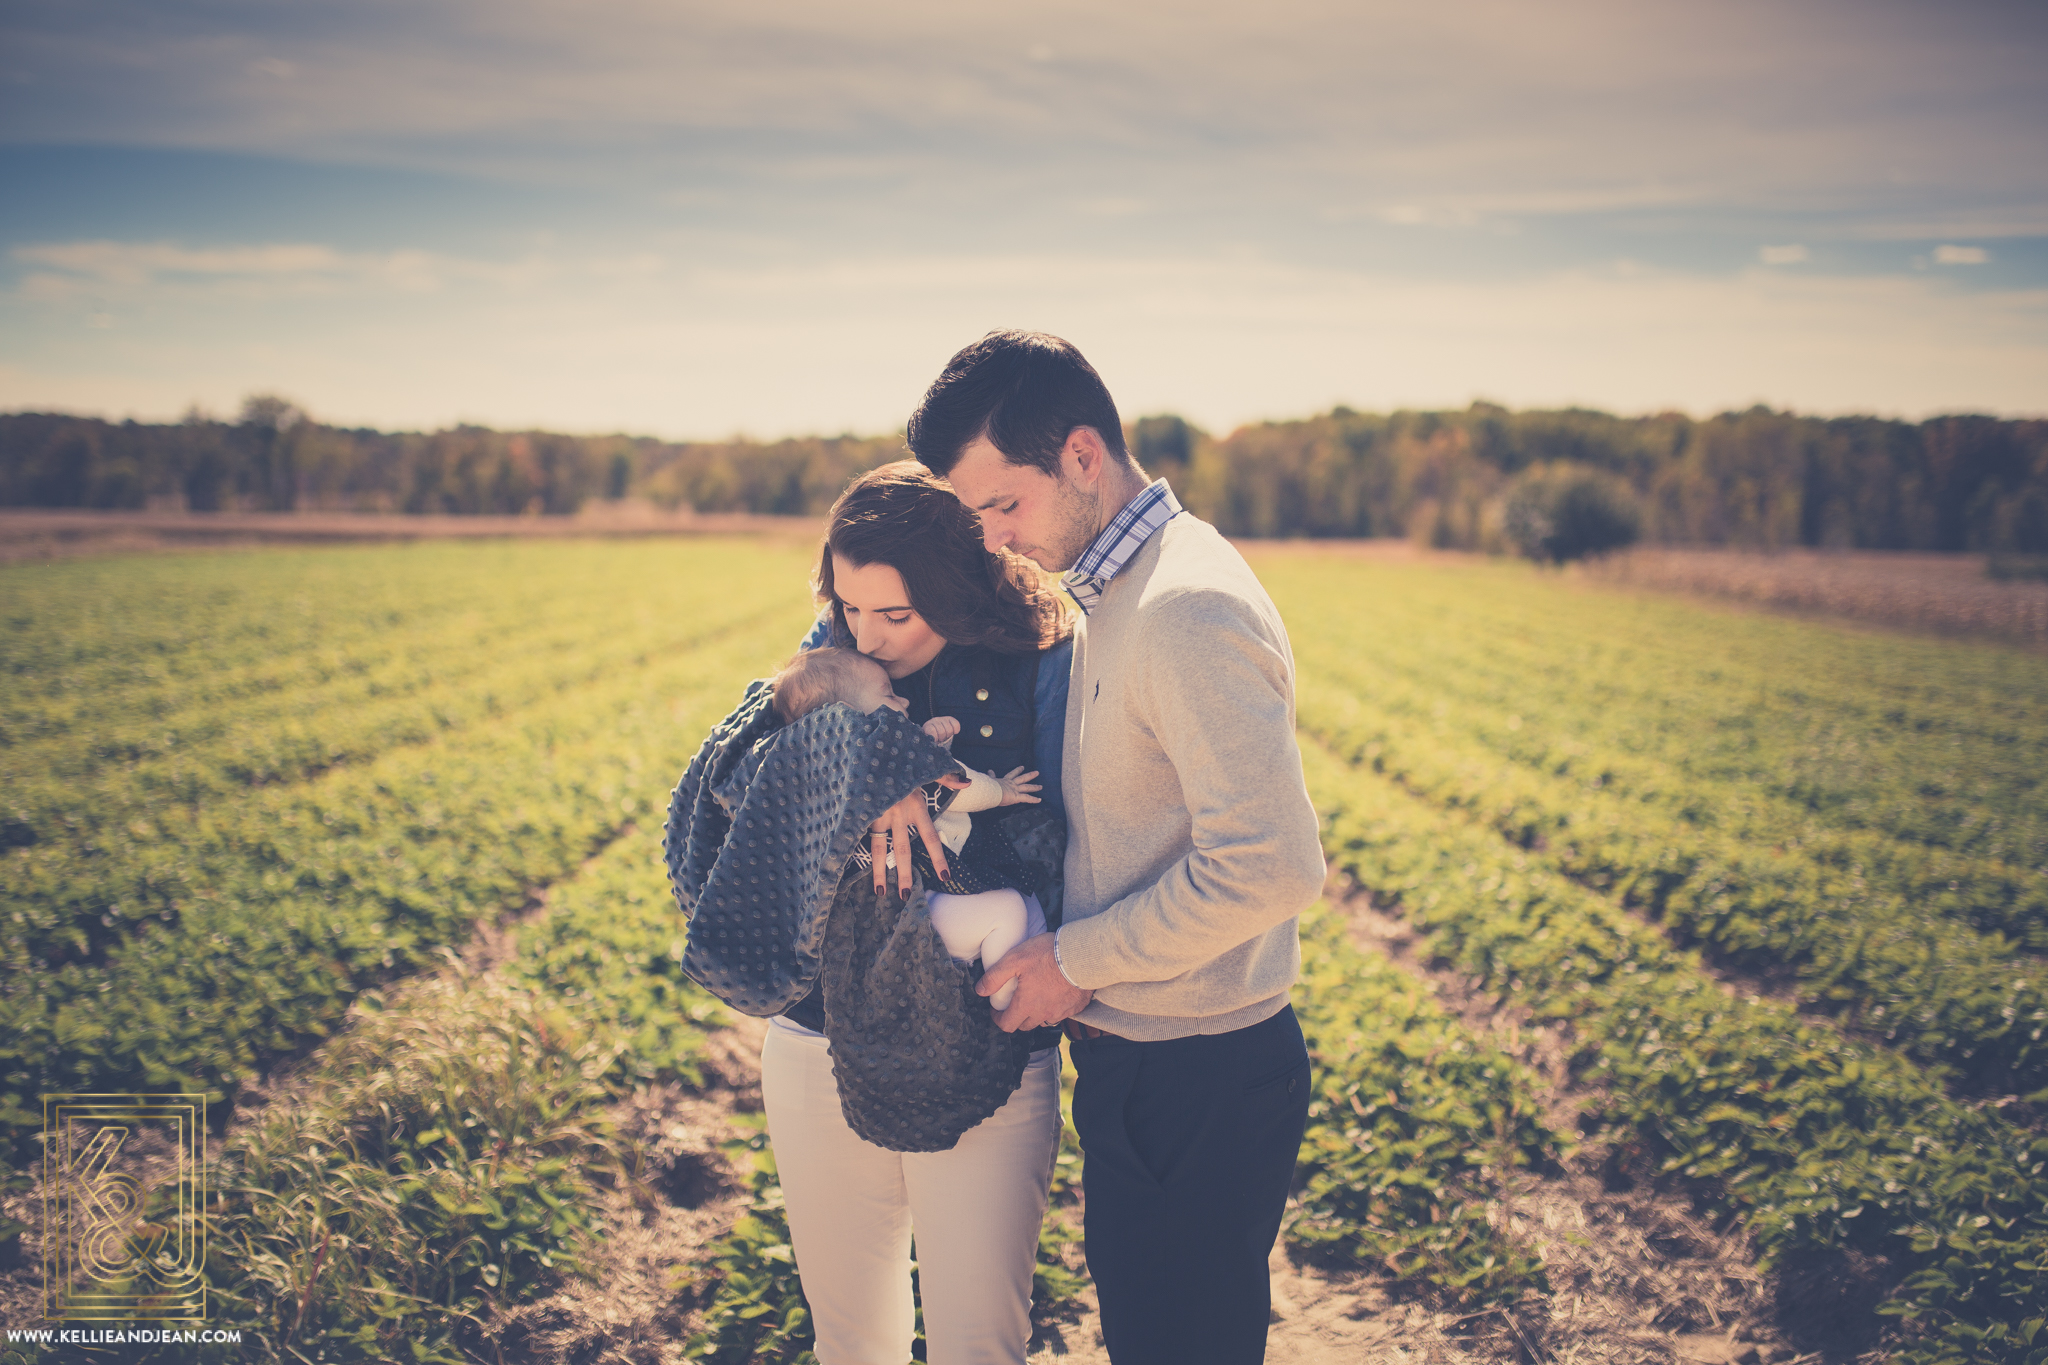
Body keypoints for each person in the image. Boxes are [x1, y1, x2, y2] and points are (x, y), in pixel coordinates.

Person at [906, 331, 1327, 1365]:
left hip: (1199, 1075)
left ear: (1082, 457)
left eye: (1004, 505)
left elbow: (1270, 863)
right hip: (1152, 1060)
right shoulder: (1114, 593)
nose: (995, 538)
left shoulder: (1182, 608)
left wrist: (1070, 963)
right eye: (976, 517)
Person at [759, 461, 1075, 1365]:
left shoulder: (1039, 664)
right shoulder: (831, 655)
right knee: (853, 1341)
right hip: (820, 1034)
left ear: (953, 587)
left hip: (979, 1030)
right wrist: (865, 761)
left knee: (980, 1340)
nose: (867, 635)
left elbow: (1078, 824)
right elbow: (729, 789)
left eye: (894, 614)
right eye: (850, 608)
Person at [766, 644, 1044, 1010]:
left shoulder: (820, 774)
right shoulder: (883, 761)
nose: (904, 702)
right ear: (850, 716)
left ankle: (1024, 983)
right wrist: (1003, 792)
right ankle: (1007, 1003)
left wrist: (937, 745)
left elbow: (936, 781)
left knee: (1025, 907)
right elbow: (955, 789)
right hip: (911, 915)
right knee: (1010, 908)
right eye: (888, 694)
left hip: (910, 907)